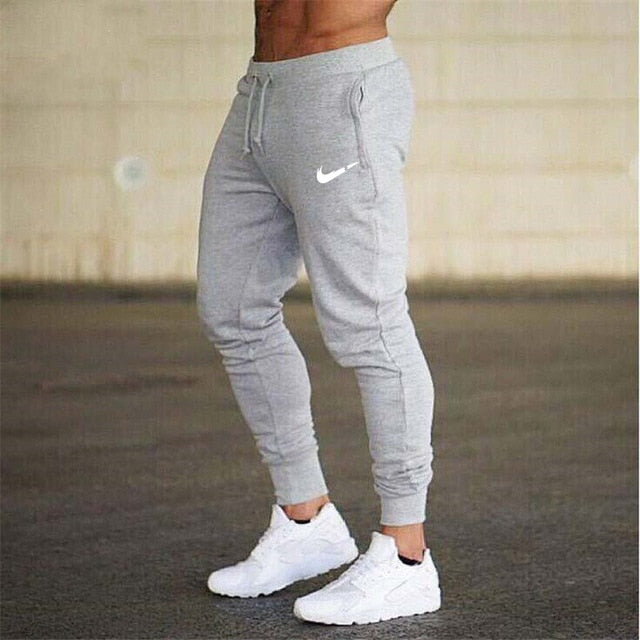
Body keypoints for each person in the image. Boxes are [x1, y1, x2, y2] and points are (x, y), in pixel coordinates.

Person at [196, 0, 441, 625]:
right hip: (259, 95)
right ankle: (306, 521)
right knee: (233, 309)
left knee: (369, 325)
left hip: (342, 90)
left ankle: (406, 555)